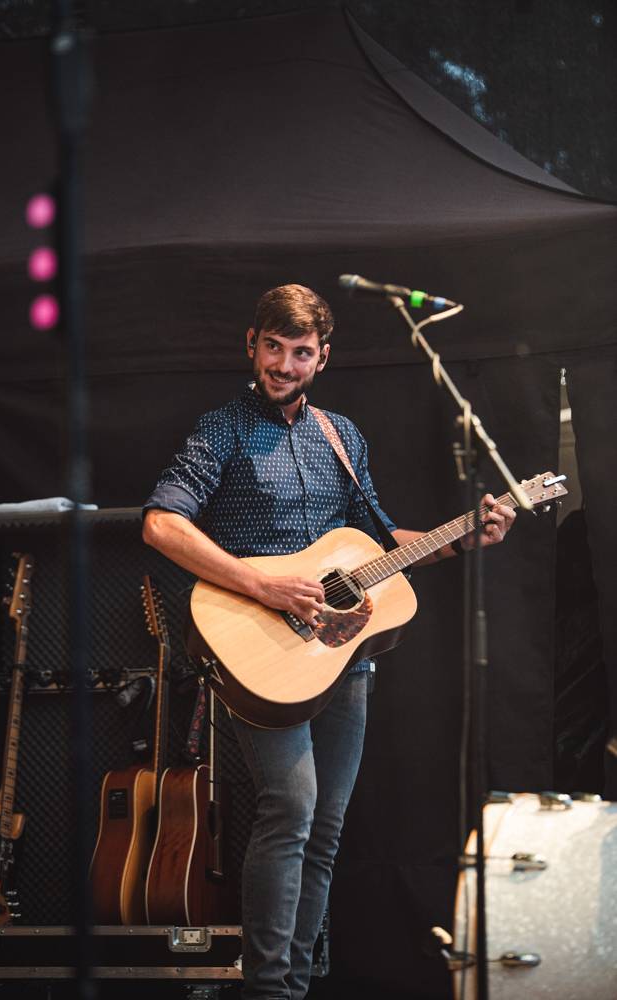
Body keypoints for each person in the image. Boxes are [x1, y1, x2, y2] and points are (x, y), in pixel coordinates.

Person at [142, 284, 515, 1000]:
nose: (285, 364)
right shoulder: (220, 430)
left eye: (301, 351)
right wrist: (265, 588)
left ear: (323, 357)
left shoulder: (342, 436)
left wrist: (463, 534)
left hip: (340, 656)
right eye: (273, 347)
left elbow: (379, 543)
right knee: (293, 806)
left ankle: (301, 980)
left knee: (326, 825)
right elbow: (162, 524)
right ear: (250, 344)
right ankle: (268, 988)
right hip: (259, 651)